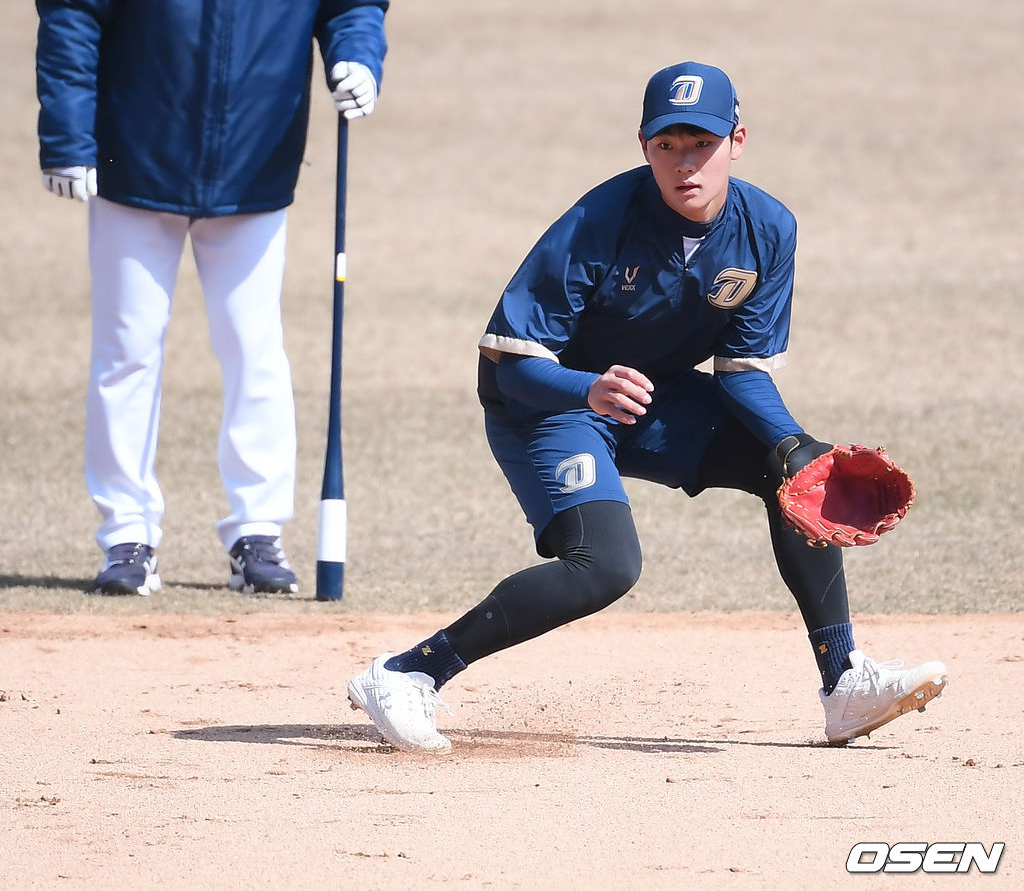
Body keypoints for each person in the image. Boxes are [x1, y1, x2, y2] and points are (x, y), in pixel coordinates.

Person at [347, 60, 947, 750]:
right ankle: (407, 675)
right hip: (547, 407)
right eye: (667, 145)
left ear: (738, 141)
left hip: (649, 397)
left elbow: (742, 372)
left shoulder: (768, 229)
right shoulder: (599, 222)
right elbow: (507, 363)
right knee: (604, 566)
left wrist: (793, 444)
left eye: (701, 143)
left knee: (794, 475)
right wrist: (586, 387)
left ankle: (845, 684)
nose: (683, 162)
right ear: (643, 146)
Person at [36, 0, 388, 597]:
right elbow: (70, 17)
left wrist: (357, 59)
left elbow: (355, 1)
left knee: (253, 351)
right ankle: (126, 536)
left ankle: (255, 533)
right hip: (132, 170)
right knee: (127, 352)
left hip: (254, 177)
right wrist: (67, 138)